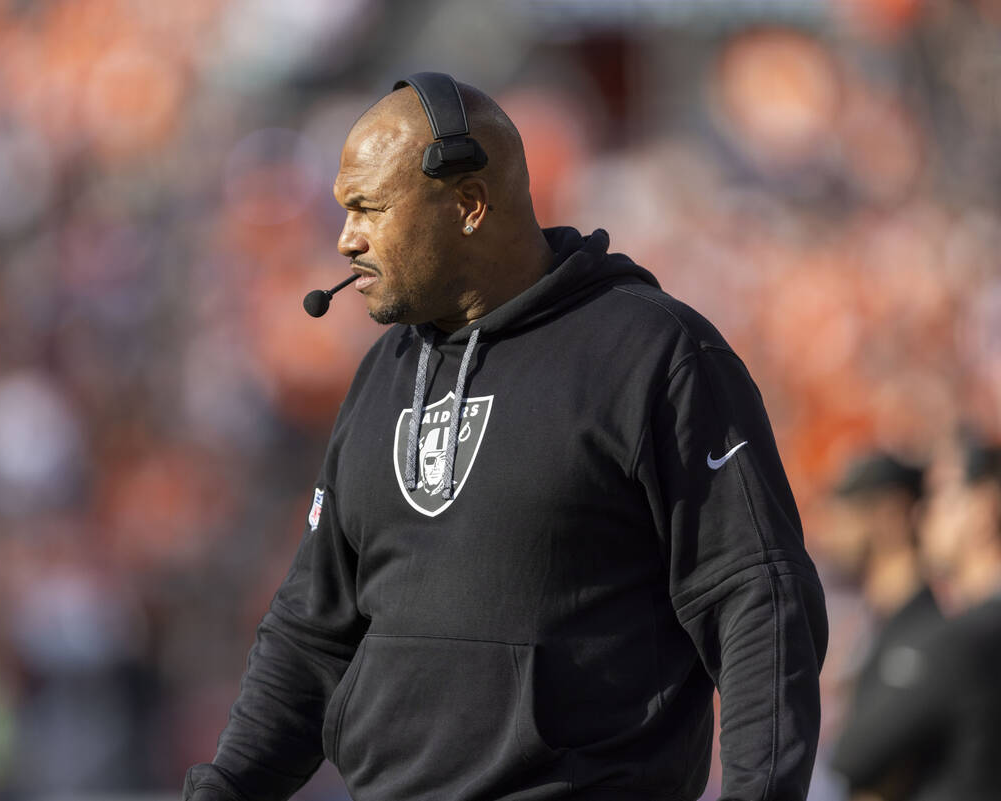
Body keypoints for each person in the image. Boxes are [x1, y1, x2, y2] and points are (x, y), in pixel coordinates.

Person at [184, 73, 828, 801]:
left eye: (368, 208)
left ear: (468, 204)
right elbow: (311, 631)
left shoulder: (652, 353)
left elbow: (758, 600)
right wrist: (225, 789)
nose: (345, 239)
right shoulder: (381, 376)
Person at [829, 442, 1001, 800]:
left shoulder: (959, 637)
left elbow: (852, 756)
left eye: (940, 494)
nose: (924, 512)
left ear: (984, 508)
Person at [823, 452, 943, 795]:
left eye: (844, 511)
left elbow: (872, 761)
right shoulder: (875, 617)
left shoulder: (922, 628)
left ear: (890, 514)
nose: (829, 529)